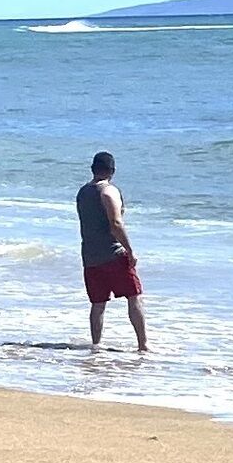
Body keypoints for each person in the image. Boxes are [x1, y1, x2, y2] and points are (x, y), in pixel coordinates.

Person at [75, 149, 147, 352]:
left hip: (90, 257)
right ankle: (143, 345)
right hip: (113, 254)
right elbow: (115, 223)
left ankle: (96, 345)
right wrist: (130, 250)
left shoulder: (83, 192)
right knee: (134, 297)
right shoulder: (109, 191)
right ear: (112, 171)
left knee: (98, 304)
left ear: (92, 169)